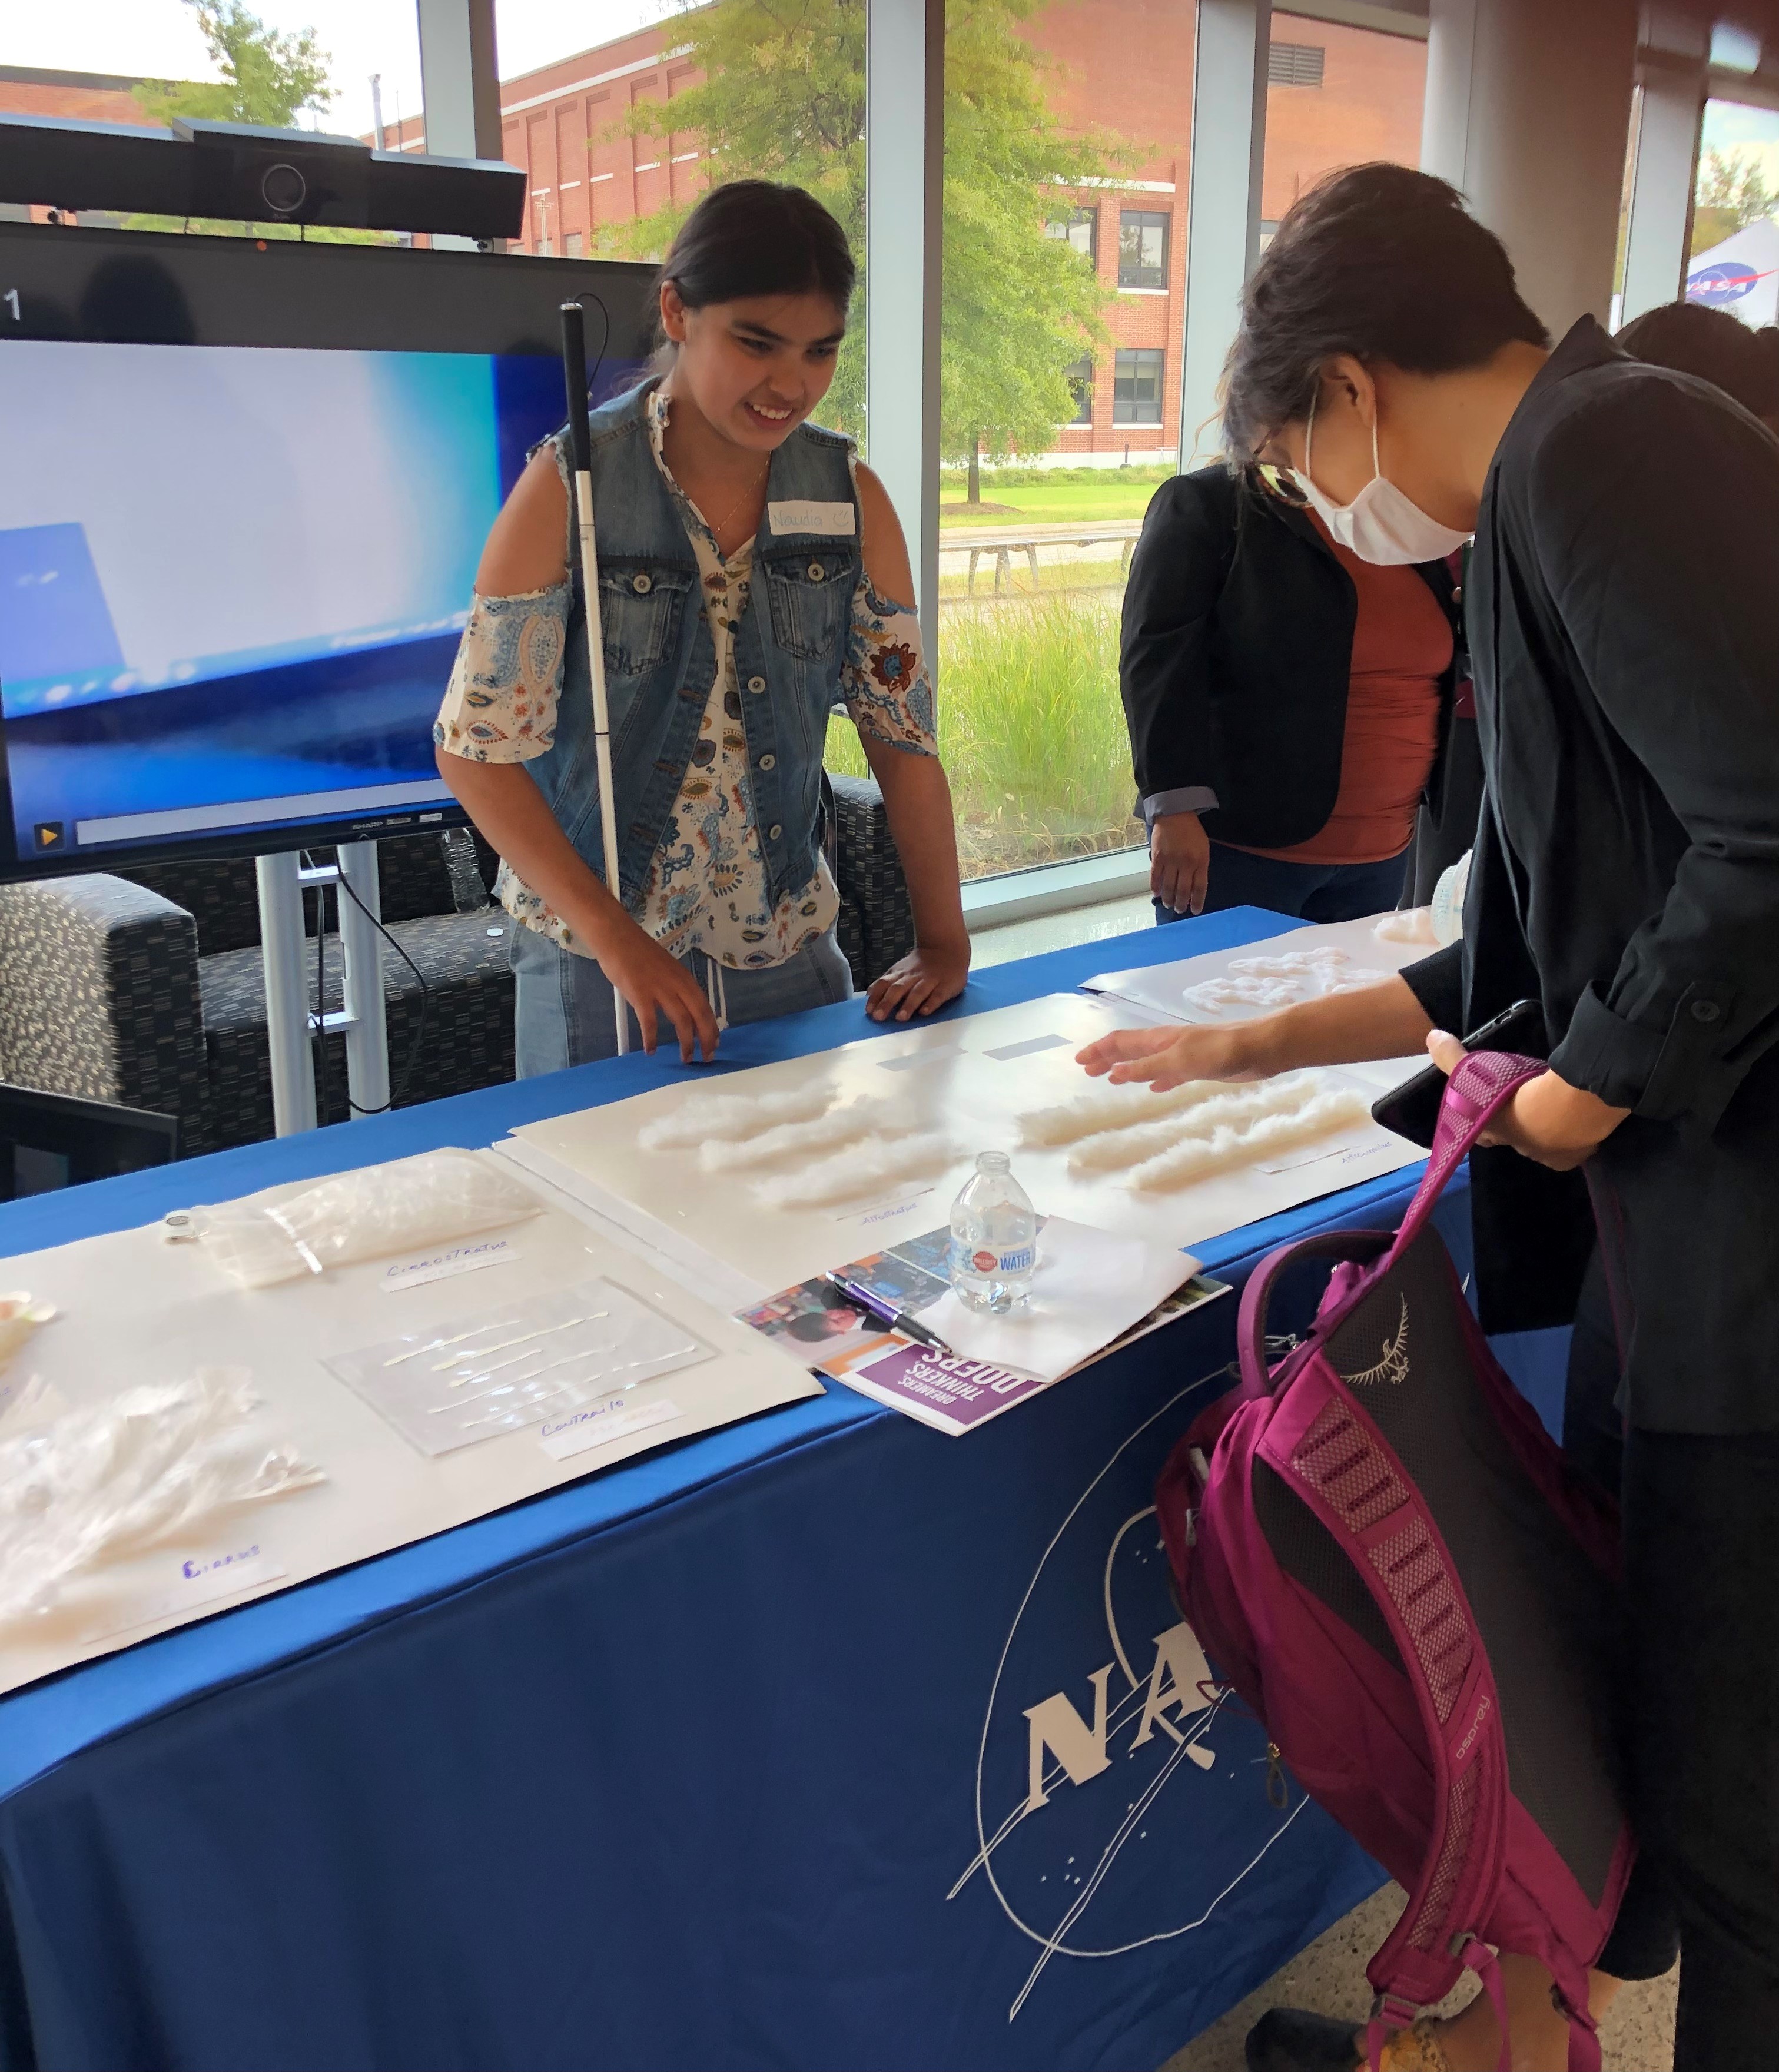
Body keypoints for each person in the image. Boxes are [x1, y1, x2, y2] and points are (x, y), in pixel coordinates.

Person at [1080, 163, 1779, 2072]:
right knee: (1642, 1728)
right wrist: (1262, 1046)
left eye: (1296, 459)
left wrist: (1589, 1080)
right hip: (1676, 1251)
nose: (1320, 504)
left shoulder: (1606, 460)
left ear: (1345, 387)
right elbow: (1534, 930)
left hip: (1747, 1259)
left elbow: (1765, 825)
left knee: (1741, 1847)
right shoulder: (1549, 501)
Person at [434, 181, 970, 1073]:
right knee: (603, 1204)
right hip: (595, 954)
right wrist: (616, 941)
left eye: (820, 351)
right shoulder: (572, 487)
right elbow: (473, 750)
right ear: (678, 312)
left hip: (786, 942)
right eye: (756, 344)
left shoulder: (849, 498)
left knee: (795, 1197)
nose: (790, 384)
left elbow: (900, 737)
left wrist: (945, 939)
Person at [1120, 439, 1461, 927]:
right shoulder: (1209, 504)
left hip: (1384, 852)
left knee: (1344, 1006)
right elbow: (1156, 662)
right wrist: (1172, 809)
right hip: (1243, 853)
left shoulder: (1396, 518)